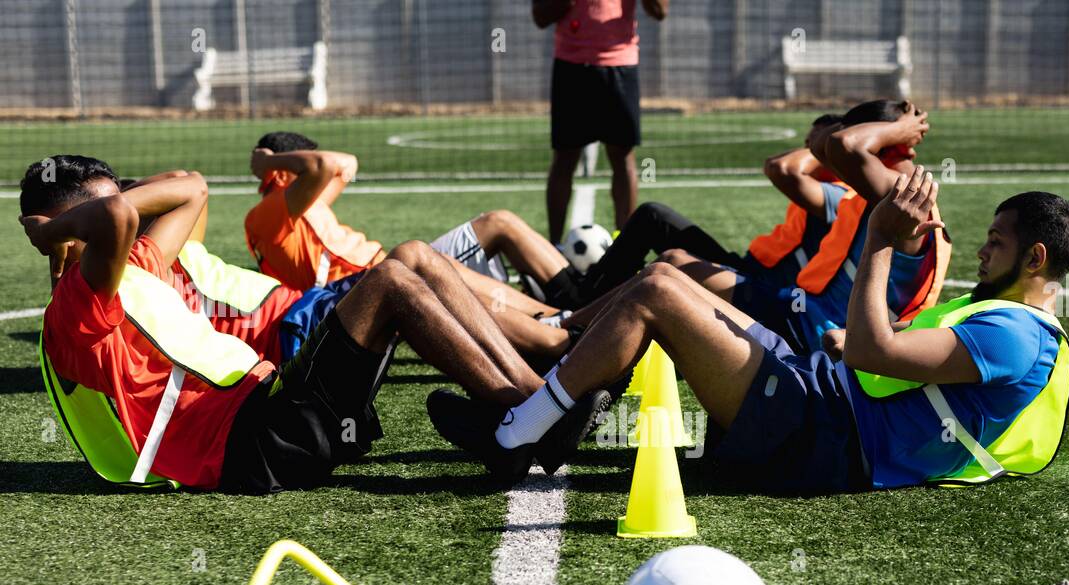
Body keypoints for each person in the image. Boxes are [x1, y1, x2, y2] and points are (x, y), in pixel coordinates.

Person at [430, 169, 1069, 494]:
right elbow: (882, 360)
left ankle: (515, 436)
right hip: (823, 395)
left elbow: (874, 347)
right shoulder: (1006, 320)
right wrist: (843, 347)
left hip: (825, 438)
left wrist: (881, 237)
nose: (980, 252)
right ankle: (554, 402)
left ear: (1035, 259)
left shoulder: (1017, 335)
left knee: (658, 292)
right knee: (671, 279)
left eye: (995, 243)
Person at [20, 155, 608, 494]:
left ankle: (530, 407)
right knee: (392, 283)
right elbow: (121, 214)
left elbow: (191, 187)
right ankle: (529, 413)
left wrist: (95, 211)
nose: (116, 223)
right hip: (253, 450)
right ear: (55, 230)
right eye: (88, 219)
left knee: (414, 258)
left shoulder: (133, 268)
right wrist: (53, 233)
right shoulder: (73, 309)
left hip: (271, 408)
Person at [650, 100, 951, 357]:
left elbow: (840, 145)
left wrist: (899, 129)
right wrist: (890, 128)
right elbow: (827, 146)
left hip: (818, 333)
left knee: (671, 269)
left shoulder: (905, 196)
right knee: (670, 268)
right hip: (804, 314)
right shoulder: (884, 191)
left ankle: (608, 369)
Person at [244, 131, 584, 310]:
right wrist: (269, 164)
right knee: (495, 226)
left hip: (381, 275)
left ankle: (568, 301)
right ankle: (570, 308)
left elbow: (345, 164)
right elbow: (323, 164)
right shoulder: (272, 211)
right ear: (285, 173)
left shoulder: (297, 206)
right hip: (369, 287)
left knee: (477, 249)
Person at [567, 113, 852, 304]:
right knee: (654, 220)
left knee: (655, 226)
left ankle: (579, 305)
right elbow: (777, 164)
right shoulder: (821, 186)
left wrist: (826, 145)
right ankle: (587, 298)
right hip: (746, 269)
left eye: (811, 145)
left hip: (762, 291)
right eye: (804, 144)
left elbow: (780, 168)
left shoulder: (843, 196)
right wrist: (819, 144)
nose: (803, 151)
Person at [532, 0, 669, 241]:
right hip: (571, 67)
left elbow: (659, 11)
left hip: (620, 64)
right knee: (565, 157)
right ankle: (554, 246)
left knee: (622, 156)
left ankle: (624, 244)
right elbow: (540, 17)